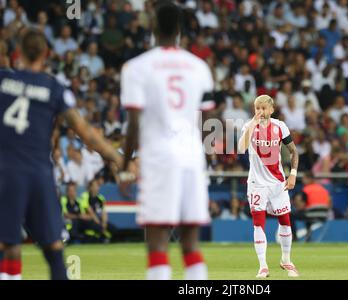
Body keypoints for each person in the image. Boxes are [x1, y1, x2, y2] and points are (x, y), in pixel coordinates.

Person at [0, 28, 122, 280]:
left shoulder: (3, 83)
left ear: (19, 53)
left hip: (7, 172)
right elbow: (85, 133)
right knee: (54, 249)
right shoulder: (54, 88)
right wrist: (119, 157)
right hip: (39, 175)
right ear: (46, 54)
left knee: (6, 244)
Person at [120, 2, 215, 280]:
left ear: (154, 26)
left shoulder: (136, 67)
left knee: (158, 244)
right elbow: (207, 123)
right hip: (192, 157)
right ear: (180, 29)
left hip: (160, 157)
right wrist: (204, 161)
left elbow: (134, 123)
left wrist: (126, 164)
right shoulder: (199, 67)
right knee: (191, 245)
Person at [238, 94, 299, 278]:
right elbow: (241, 148)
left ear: (271, 110)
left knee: (285, 222)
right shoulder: (249, 126)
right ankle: (263, 266)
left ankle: (286, 260)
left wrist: (293, 175)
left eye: (264, 108)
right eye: (257, 108)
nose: (260, 112)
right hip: (257, 184)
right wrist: (251, 127)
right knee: (258, 224)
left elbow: (294, 152)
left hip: (278, 182)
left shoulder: (280, 126)